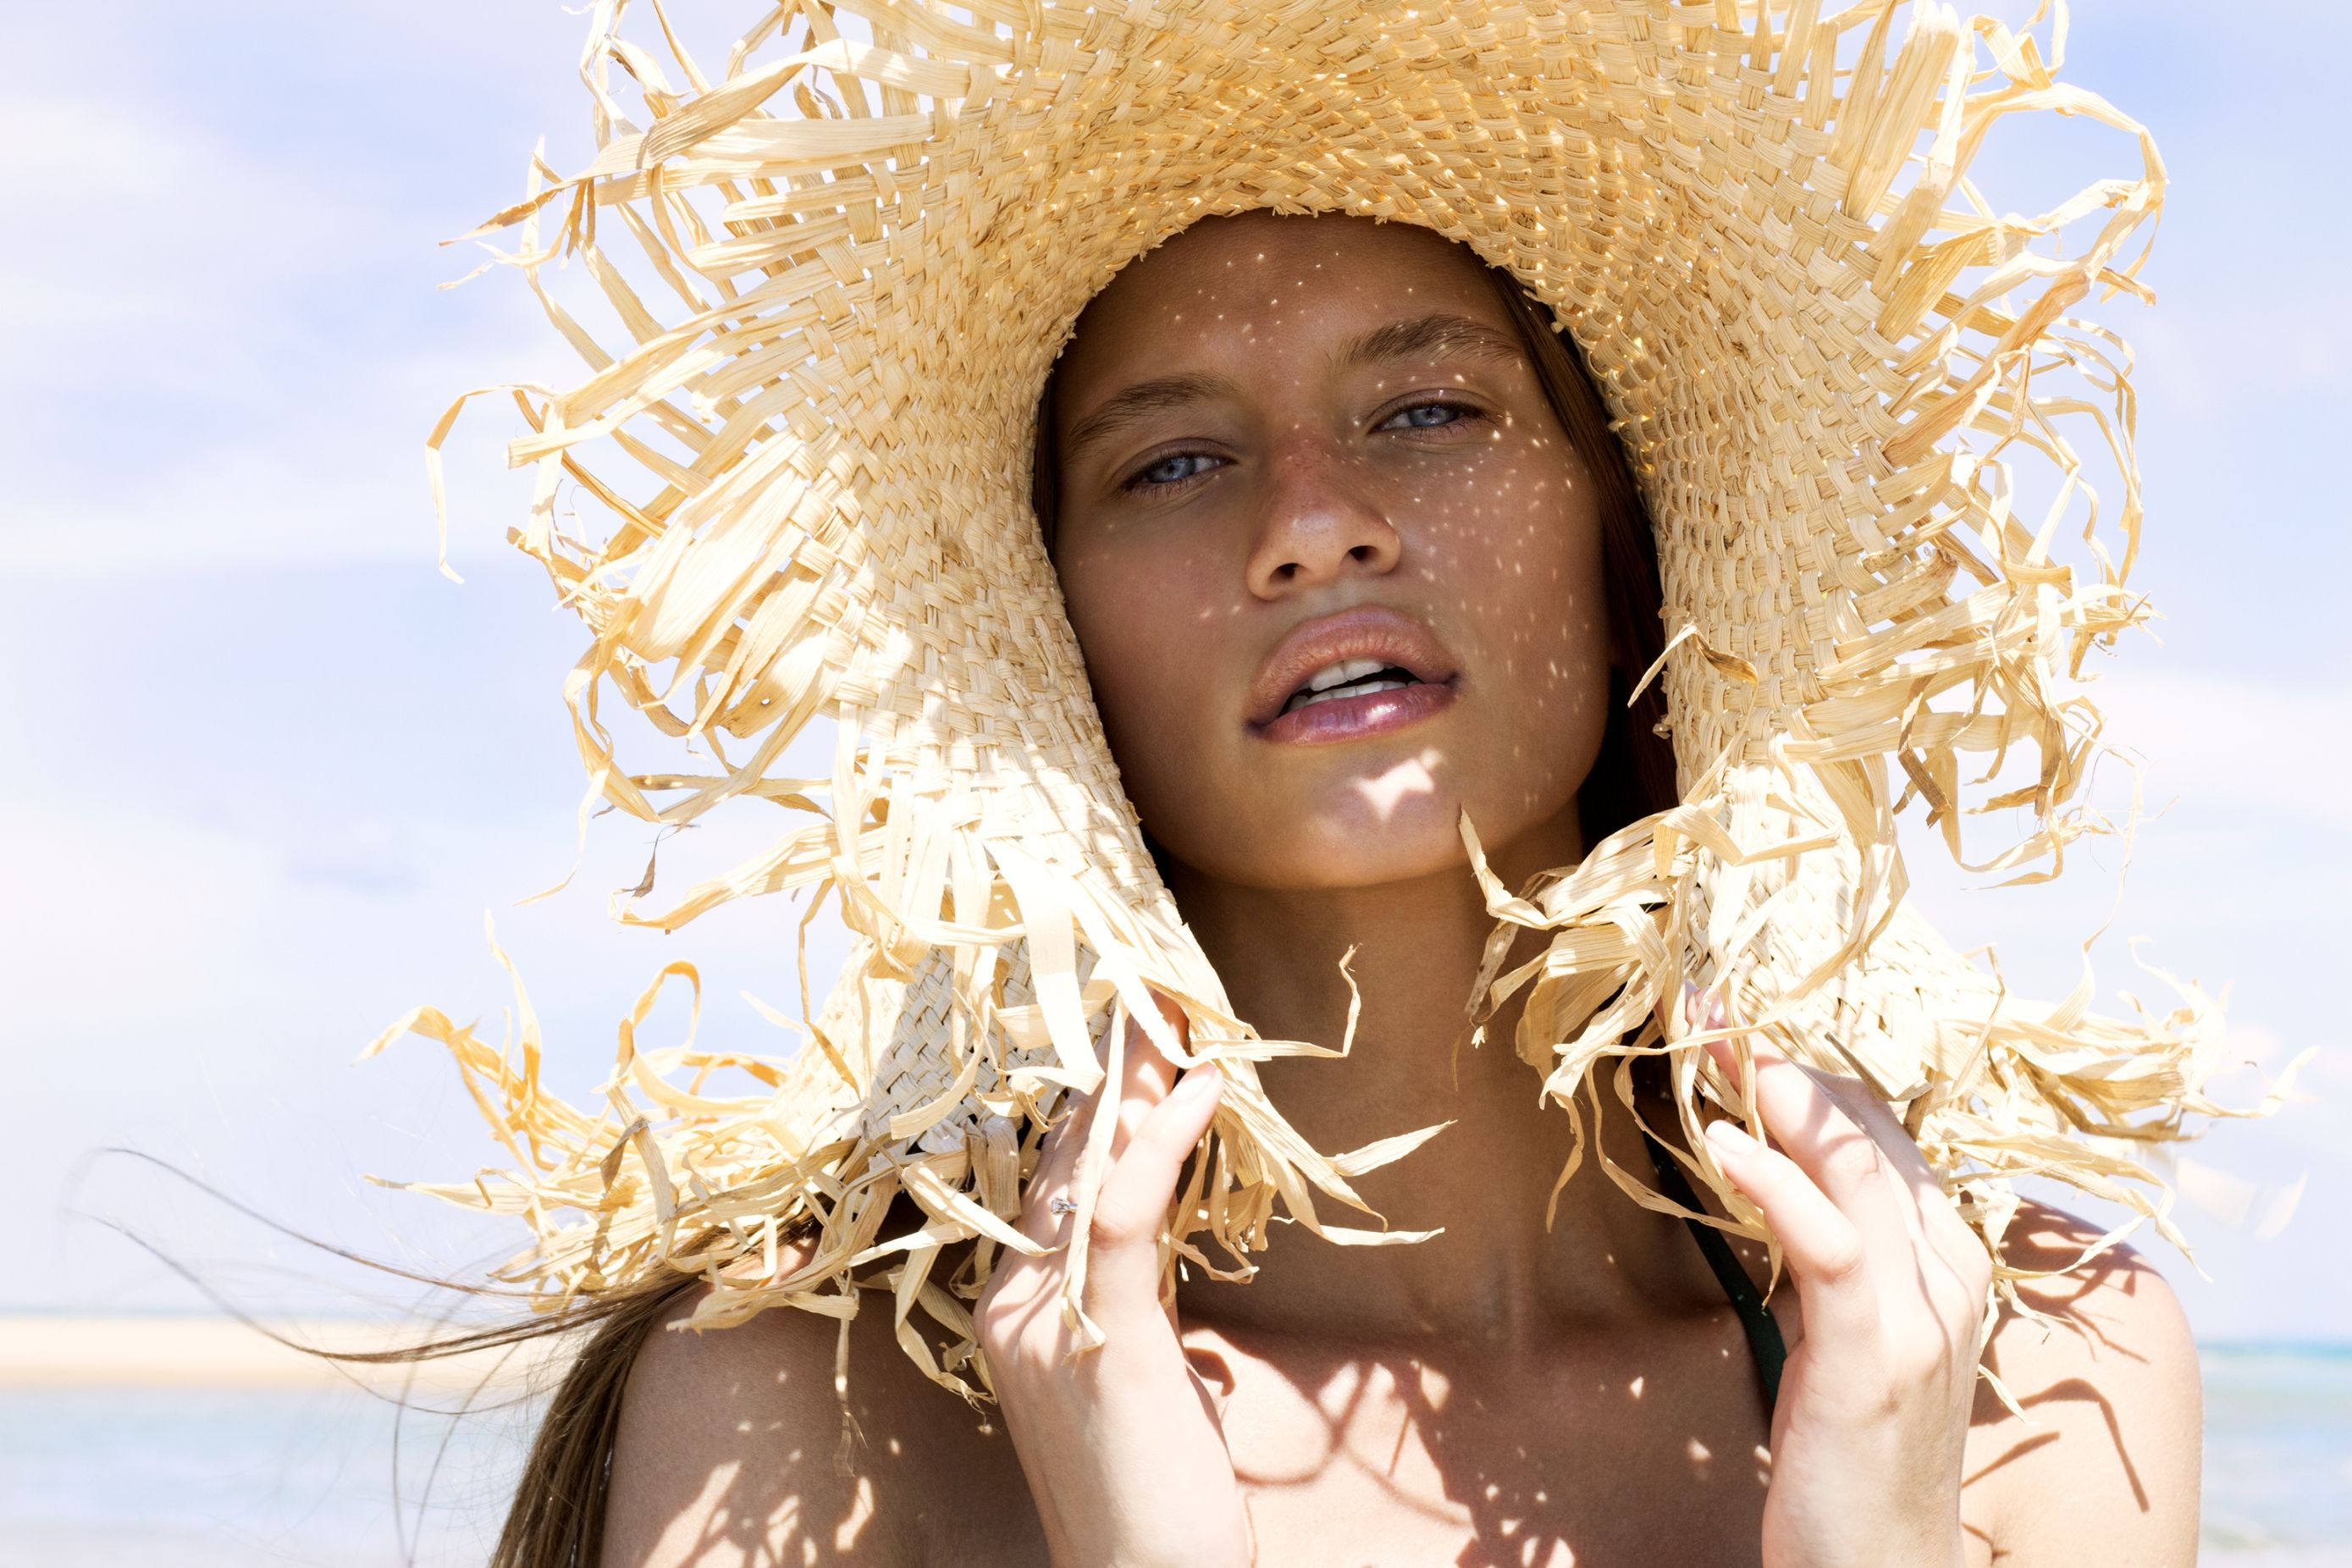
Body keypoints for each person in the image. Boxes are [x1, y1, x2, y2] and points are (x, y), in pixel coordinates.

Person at [377, 3, 2260, 1564]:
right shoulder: (811, 1423)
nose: (1312, 523)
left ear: (1634, 553)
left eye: (1428, 411)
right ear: (1048, 642)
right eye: (1175, 463)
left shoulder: (2026, 1370)